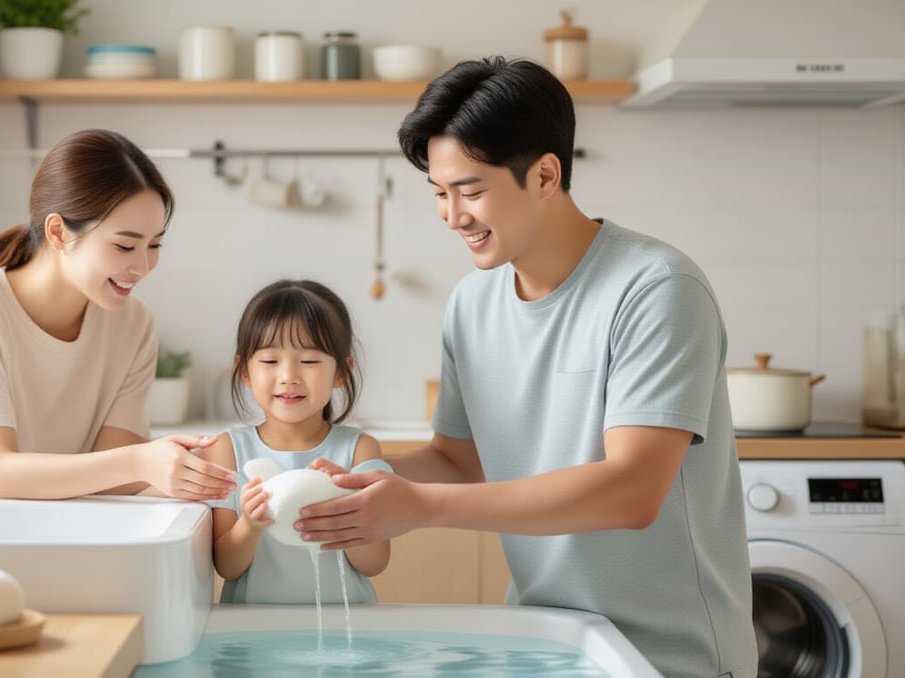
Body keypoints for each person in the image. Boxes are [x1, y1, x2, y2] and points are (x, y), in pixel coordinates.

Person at [296, 58, 759, 677]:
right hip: (546, 642)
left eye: (471, 190)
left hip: (668, 657)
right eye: (439, 192)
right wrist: (347, 478)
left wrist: (422, 507)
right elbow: (460, 461)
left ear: (545, 175)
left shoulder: (657, 288)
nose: (452, 215)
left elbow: (632, 491)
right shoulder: (472, 302)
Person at [0, 129, 236, 502]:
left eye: (155, 244)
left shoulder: (133, 324)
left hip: (35, 527)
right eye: (125, 245)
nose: (143, 266)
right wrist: (139, 462)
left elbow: (109, 472)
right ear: (59, 232)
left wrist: (205, 473)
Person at [204, 279, 390, 604]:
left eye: (309, 361)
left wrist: (349, 504)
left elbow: (375, 564)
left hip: (346, 632)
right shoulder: (228, 449)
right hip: (255, 634)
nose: (288, 375)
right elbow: (227, 567)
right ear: (245, 371)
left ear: (340, 373)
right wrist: (250, 523)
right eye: (270, 361)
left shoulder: (359, 449)